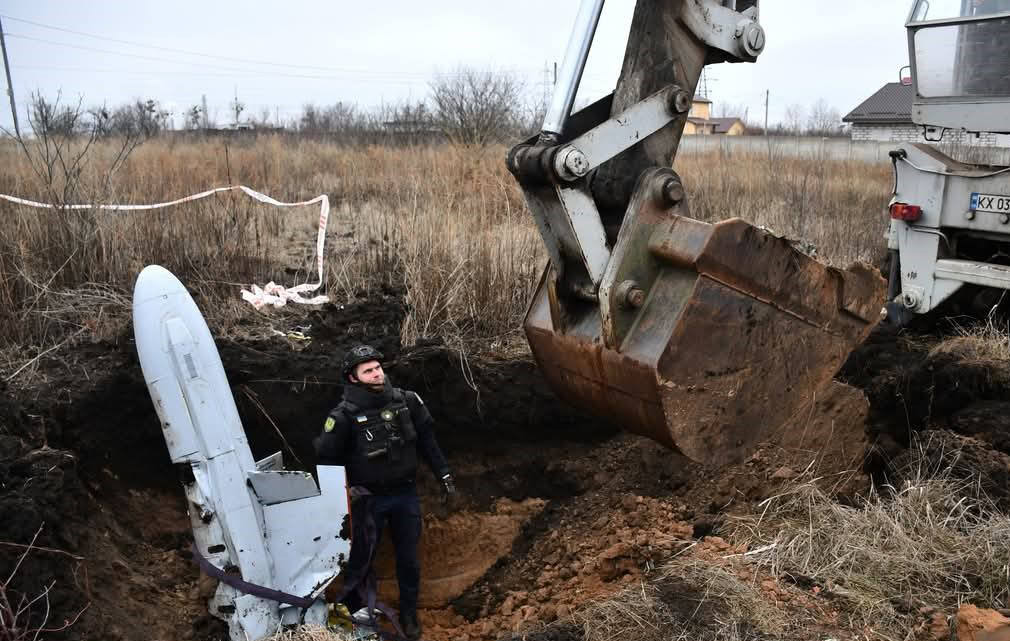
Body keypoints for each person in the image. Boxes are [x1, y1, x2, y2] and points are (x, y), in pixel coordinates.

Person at [314, 344, 455, 640]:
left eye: (378, 367)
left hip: (405, 495)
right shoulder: (343, 417)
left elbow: (428, 442)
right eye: (368, 371)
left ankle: (408, 613)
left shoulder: (407, 402)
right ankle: (354, 613)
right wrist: (343, 494)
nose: (377, 373)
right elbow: (326, 461)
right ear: (353, 378)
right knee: (361, 560)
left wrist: (444, 474)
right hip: (368, 499)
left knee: (409, 559)